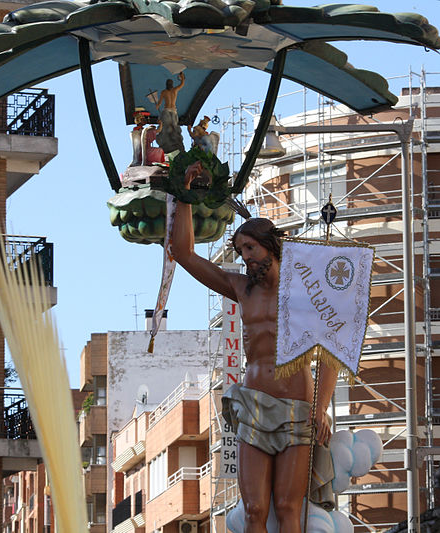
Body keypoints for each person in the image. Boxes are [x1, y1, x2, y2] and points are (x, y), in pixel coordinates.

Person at [170, 162, 337, 531]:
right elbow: (183, 253)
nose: (245, 257)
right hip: (254, 403)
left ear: (270, 246)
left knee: (288, 506)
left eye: (250, 248)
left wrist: (320, 408)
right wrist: (183, 196)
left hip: (296, 405)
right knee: (255, 509)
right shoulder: (241, 289)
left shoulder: (304, 292)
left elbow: (330, 354)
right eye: (240, 250)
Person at [155, 72, 185, 154]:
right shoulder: (169, 91)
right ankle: (169, 141)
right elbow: (182, 84)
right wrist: (182, 78)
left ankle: (171, 141)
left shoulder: (169, 91)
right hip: (170, 110)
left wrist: (157, 106)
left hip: (170, 110)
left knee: (172, 127)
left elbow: (160, 102)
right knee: (171, 126)